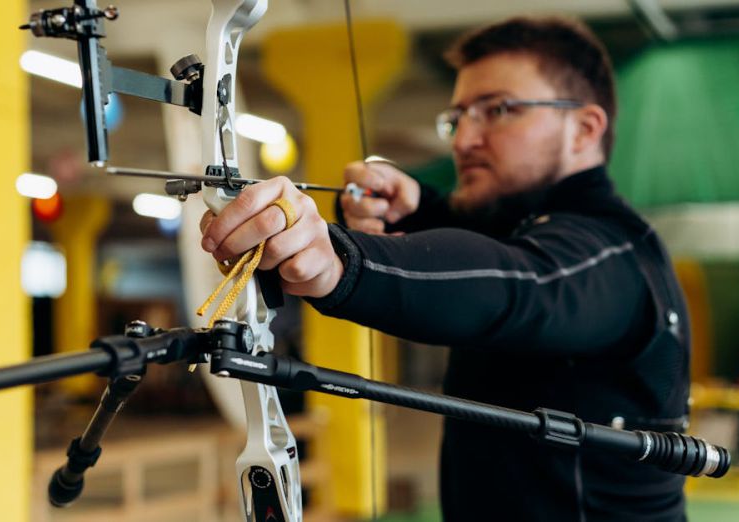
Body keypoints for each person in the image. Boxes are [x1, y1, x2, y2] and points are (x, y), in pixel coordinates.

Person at [200, 16, 690, 521]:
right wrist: (418, 212)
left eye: (498, 110)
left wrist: (337, 259)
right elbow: (495, 243)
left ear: (584, 128)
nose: (463, 140)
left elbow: (519, 282)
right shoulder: (524, 228)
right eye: (457, 118)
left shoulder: (613, 253)